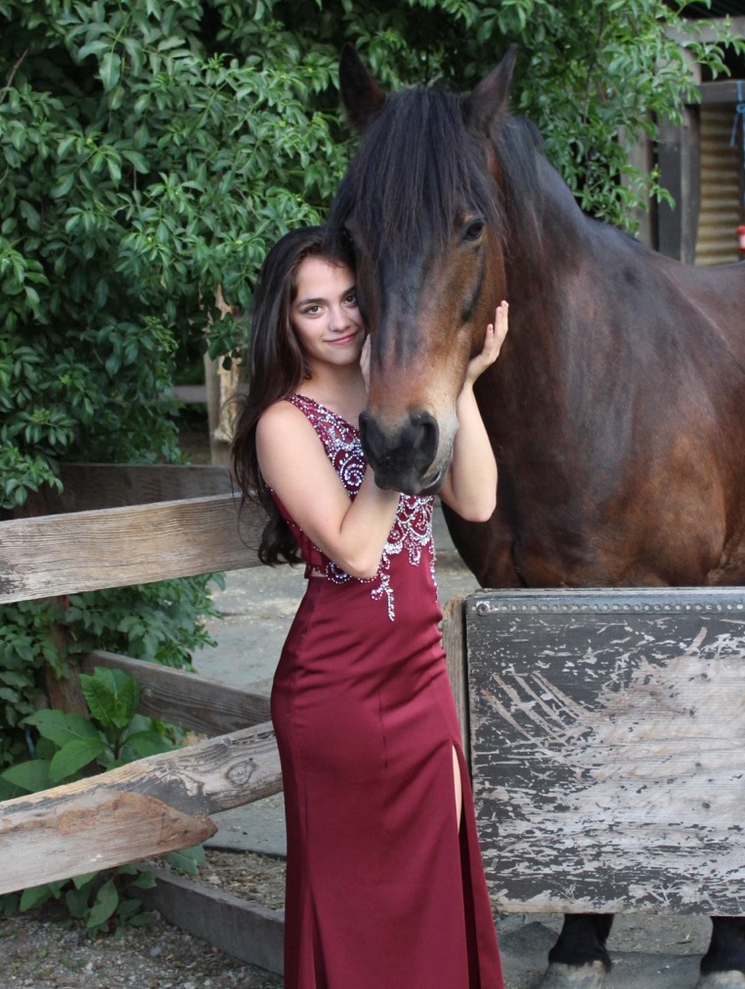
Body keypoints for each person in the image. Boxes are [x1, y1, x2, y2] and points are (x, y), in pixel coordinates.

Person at [230, 224, 508, 989]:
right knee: (355, 909)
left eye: (351, 298)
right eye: (313, 308)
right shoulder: (284, 423)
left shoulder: (405, 388)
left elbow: (478, 502)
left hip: (418, 678)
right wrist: (392, 437)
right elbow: (355, 553)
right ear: (284, 323)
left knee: (432, 890)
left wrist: (453, 384)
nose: (341, 320)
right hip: (337, 695)